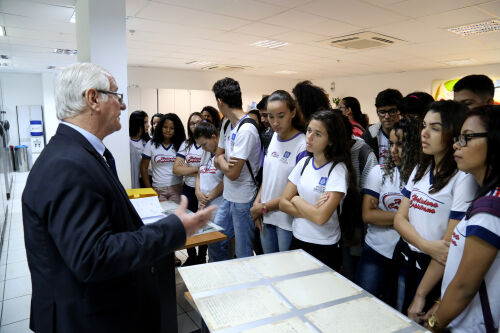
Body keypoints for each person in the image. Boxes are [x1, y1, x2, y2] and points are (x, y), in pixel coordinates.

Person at [21, 63, 216, 333]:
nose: (123, 106)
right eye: (116, 95)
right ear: (93, 99)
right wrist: (173, 228)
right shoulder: (68, 164)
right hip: (86, 320)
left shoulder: (79, 154)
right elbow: (94, 256)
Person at [393, 100, 478, 318]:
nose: (425, 133)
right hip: (408, 257)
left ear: (453, 133)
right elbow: (399, 220)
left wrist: (421, 295)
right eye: (424, 126)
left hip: (434, 272)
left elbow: (446, 250)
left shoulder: (463, 178)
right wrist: (425, 244)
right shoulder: (422, 168)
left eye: (435, 128)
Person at [425, 105, 500, 332]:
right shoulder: (487, 195)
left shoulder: (490, 210)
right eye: (458, 137)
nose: (456, 145)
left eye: (467, 138)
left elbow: (465, 287)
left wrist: (433, 324)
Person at [280, 110, 356, 271]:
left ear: (331, 140)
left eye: (318, 134)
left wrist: (296, 199)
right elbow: (282, 203)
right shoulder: (304, 163)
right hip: (298, 238)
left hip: (324, 246)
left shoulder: (337, 170)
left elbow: (321, 218)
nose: (310, 137)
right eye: (309, 130)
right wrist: (312, 210)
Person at [356, 117, 421, 307]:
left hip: (410, 257)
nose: (393, 150)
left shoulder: (422, 178)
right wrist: (406, 218)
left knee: (400, 309)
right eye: (391, 144)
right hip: (376, 249)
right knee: (365, 304)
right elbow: (368, 215)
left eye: (400, 144)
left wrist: (386, 217)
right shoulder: (380, 172)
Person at [208, 77, 262, 261]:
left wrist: (221, 161)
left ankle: (244, 286)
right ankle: (222, 277)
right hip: (228, 197)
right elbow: (218, 155)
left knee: (243, 251)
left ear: (220, 102)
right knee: (216, 240)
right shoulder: (226, 124)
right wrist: (222, 160)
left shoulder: (246, 129)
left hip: (243, 199)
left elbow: (232, 172)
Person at [250, 90, 307, 253]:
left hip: (286, 221)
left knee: (285, 269)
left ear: (293, 113)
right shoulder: (273, 137)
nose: (275, 122)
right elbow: (268, 178)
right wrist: (257, 205)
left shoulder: (302, 144)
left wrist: (262, 207)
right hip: (266, 216)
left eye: (281, 116)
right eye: (270, 116)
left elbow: (295, 190)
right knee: (269, 266)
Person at [173, 112, 205, 266]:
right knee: (189, 224)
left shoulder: (208, 143)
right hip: (188, 189)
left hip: (204, 190)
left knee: (204, 223)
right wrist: (197, 169)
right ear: (189, 126)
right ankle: (192, 255)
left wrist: (189, 168)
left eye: (199, 122)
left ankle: (202, 256)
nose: (195, 125)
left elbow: (208, 170)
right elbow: (176, 169)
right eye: (192, 123)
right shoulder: (186, 144)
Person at [140, 113, 185, 203]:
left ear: (176, 130)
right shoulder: (151, 144)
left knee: (175, 215)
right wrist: (149, 189)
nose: (168, 130)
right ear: (160, 127)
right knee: (162, 216)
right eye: (165, 127)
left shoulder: (181, 144)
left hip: (176, 188)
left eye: (172, 128)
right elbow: (143, 167)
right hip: (158, 189)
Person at [362, 88, 403, 165]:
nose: (387, 116)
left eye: (392, 111)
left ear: (400, 111)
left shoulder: (410, 134)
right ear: (377, 113)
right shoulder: (369, 135)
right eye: (382, 112)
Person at [194, 121, 224, 219]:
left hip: (217, 205)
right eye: (200, 145)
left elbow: (226, 181)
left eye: (204, 144)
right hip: (202, 204)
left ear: (214, 137)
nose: (203, 148)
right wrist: (197, 191)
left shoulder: (224, 154)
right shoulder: (206, 152)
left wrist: (208, 197)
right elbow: (199, 173)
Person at [129, 110, 150, 188]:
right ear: (136, 123)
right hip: (131, 180)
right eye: (145, 122)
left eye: (147, 122)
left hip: (146, 180)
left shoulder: (149, 142)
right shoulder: (126, 143)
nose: (148, 125)